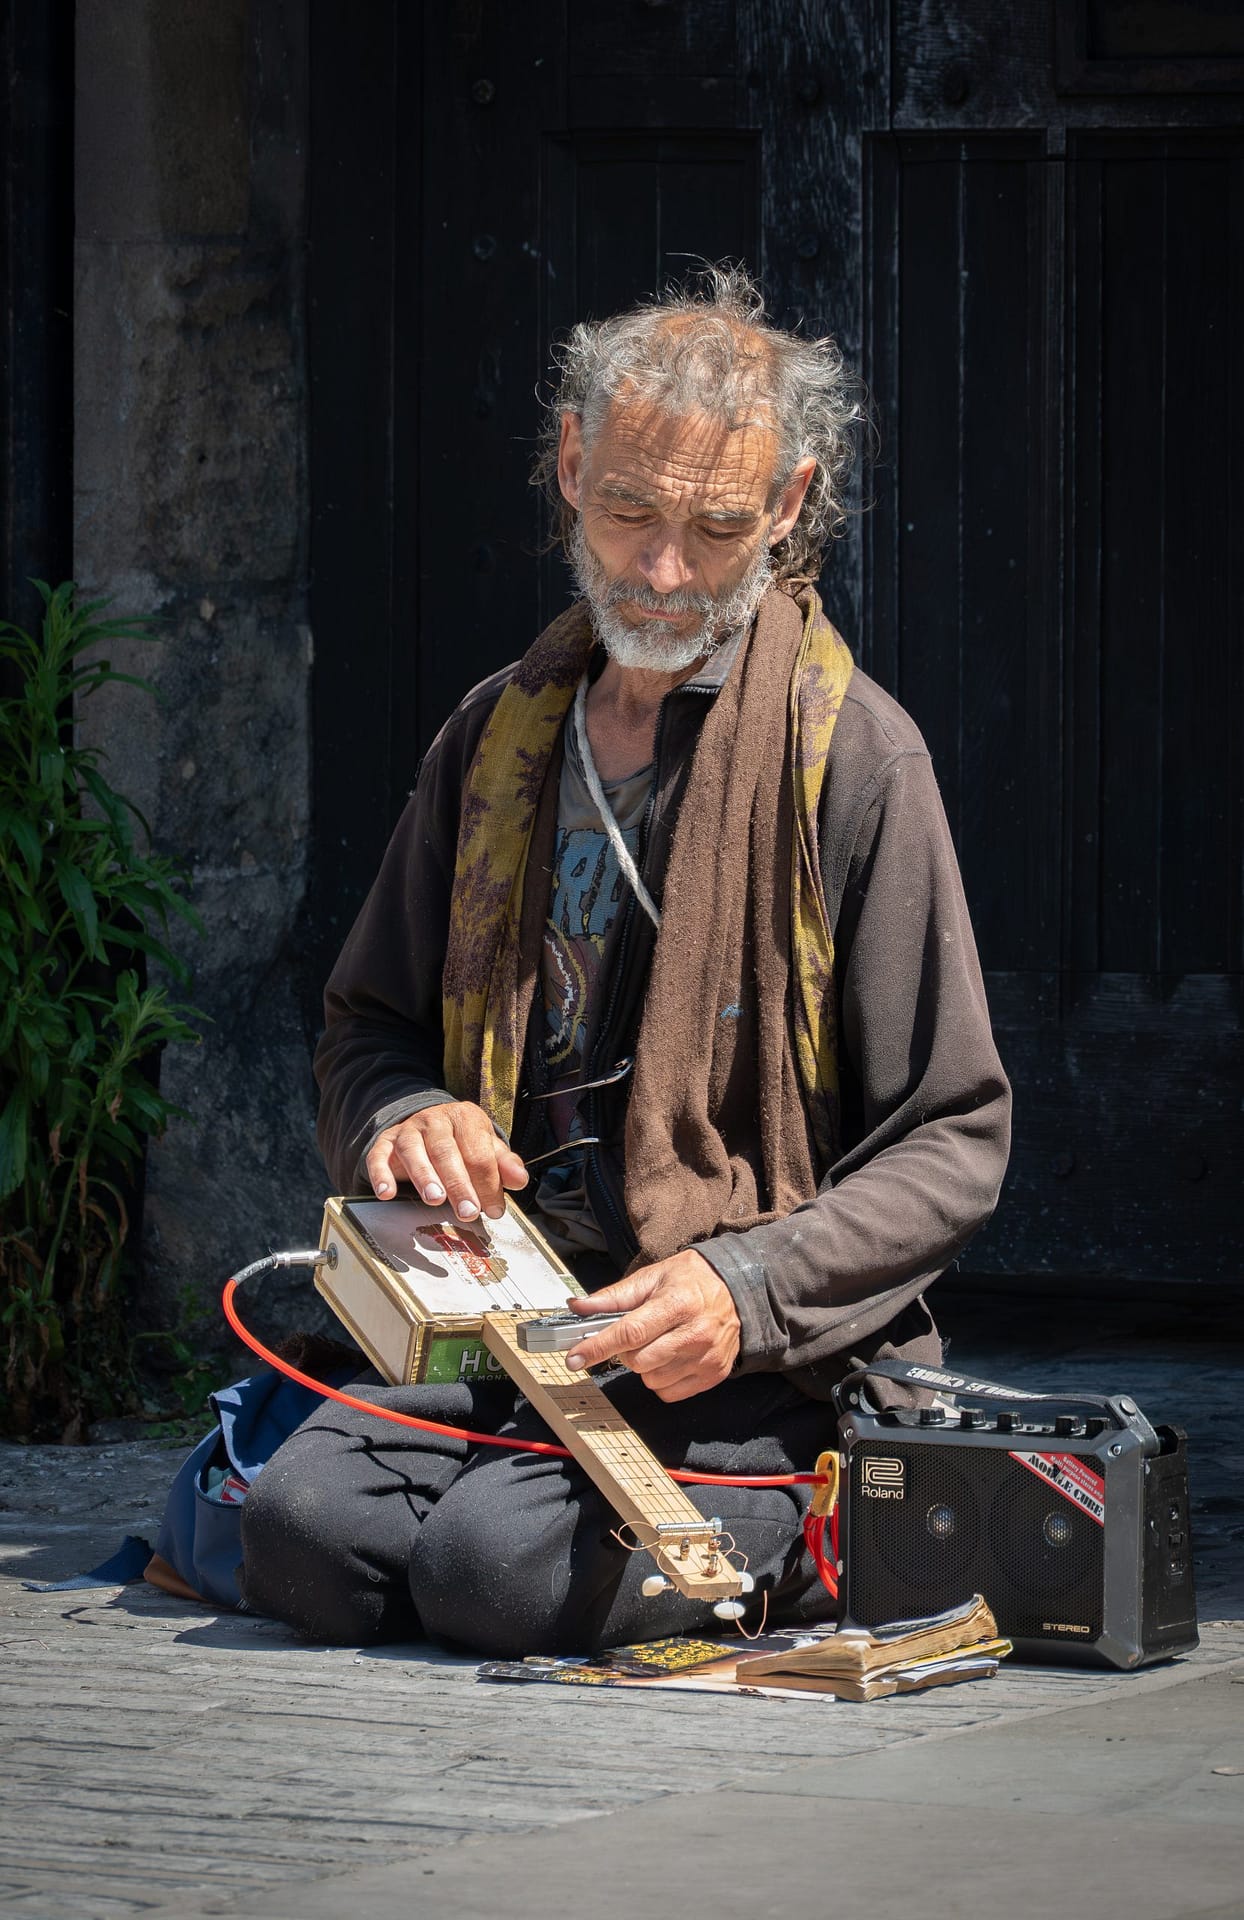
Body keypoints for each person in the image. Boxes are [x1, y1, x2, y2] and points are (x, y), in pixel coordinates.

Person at [240, 266, 1011, 1656]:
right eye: (629, 511)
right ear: (571, 464)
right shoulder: (498, 740)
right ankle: (518, 1505)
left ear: (787, 505)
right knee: (299, 1537)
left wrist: (748, 1286)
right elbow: (369, 1027)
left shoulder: (858, 760)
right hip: (514, 1319)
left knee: (487, 1577)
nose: (662, 571)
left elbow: (955, 1138)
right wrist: (411, 1116)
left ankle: (804, 1535)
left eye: (717, 528)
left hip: (748, 1354)